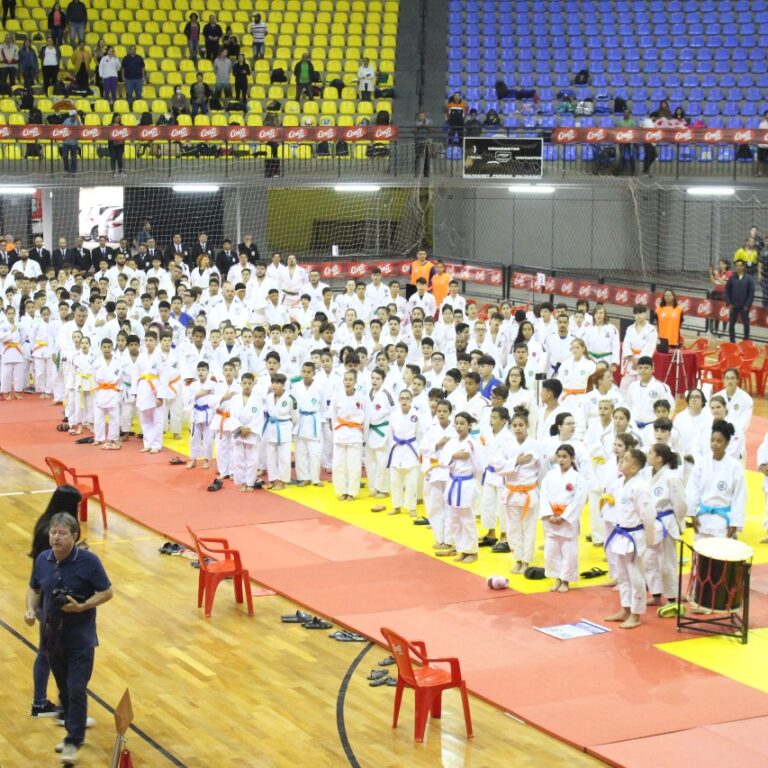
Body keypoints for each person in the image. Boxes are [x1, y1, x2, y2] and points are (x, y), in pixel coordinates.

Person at [26, 511, 113, 765]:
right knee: (64, 690)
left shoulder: (89, 562)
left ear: (74, 536)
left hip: (80, 640)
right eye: (53, 532)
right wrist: (30, 609)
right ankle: (72, 733)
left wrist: (83, 606)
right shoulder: (43, 559)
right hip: (52, 639)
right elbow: (33, 587)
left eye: (62, 533)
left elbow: (107, 592)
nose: (56, 537)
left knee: (76, 689)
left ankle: (73, 740)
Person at [28, 486, 83, 720]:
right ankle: (55, 704)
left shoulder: (46, 524)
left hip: (43, 598)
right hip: (50, 601)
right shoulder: (53, 533)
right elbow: (53, 568)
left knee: (47, 652)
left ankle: (44, 702)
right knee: (53, 654)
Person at [604, 447, 655, 629]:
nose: (621, 461)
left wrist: (648, 539)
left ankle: (636, 614)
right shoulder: (620, 483)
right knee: (622, 575)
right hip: (620, 534)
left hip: (634, 535)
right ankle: (625, 609)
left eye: (625, 459)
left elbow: (648, 516)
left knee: (635, 576)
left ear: (634, 468)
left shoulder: (641, 487)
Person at [539, 444, 587, 593]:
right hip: (551, 518)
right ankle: (557, 578)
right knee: (551, 552)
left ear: (572, 458)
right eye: (559, 456)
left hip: (567, 520)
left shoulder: (578, 478)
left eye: (565, 457)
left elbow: (579, 500)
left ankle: (566, 580)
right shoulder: (550, 475)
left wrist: (564, 517)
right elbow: (543, 495)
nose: (561, 460)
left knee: (569, 552)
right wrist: (549, 514)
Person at [686, 420, 746, 539]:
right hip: (702, 517)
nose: (715, 444)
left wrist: (735, 523)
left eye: (719, 441)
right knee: (700, 553)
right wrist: (692, 514)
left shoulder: (735, 466)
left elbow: (739, 496)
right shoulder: (702, 463)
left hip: (723, 520)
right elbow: (693, 489)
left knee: (719, 554)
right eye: (712, 440)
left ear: (727, 443)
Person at [439, 411, 485, 563]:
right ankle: (462, 549)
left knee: (467, 519)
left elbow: (480, 466)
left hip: (465, 483)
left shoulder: (472, 443)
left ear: (469, 425)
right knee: (454, 519)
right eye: (456, 423)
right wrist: (453, 456)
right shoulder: (452, 442)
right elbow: (442, 460)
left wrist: (470, 479)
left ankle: (472, 551)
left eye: (462, 423)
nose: (458, 426)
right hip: (452, 482)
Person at [644, 443, 686, 606]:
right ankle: (655, 594)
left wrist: (679, 522)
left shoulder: (671, 477)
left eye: (650, 453)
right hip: (651, 523)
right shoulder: (648, 474)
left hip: (666, 523)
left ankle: (671, 597)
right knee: (649, 560)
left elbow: (680, 504)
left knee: (667, 562)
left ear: (659, 458)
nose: (648, 456)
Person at [724, 259, 755, 342]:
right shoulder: (731, 278)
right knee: (731, 325)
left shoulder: (749, 279)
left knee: (746, 324)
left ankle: (745, 340)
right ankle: (732, 341)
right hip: (733, 306)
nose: (738, 267)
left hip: (744, 306)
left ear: (744, 267)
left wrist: (747, 305)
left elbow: (751, 293)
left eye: (740, 265)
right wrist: (729, 303)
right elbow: (727, 291)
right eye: (737, 265)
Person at [708, 258, 731, 335]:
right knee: (716, 313)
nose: (720, 265)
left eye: (721, 263)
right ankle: (716, 330)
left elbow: (725, 283)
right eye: (720, 263)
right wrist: (711, 273)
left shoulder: (729, 273)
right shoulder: (720, 273)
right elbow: (714, 282)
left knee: (724, 313)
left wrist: (717, 276)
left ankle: (724, 330)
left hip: (724, 295)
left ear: (726, 265)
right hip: (716, 294)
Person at [61, 109, 80, 175]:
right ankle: (67, 170)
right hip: (66, 142)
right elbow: (62, 129)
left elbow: (80, 128)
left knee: (74, 157)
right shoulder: (66, 121)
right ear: (70, 116)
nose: (73, 117)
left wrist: (78, 119)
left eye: (74, 116)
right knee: (65, 156)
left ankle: (73, 171)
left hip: (74, 143)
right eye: (72, 116)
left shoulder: (77, 121)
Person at [414, 111, 433, 177]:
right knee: (417, 157)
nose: (421, 117)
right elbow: (413, 131)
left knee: (427, 157)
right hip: (418, 141)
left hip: (426, 141)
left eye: (423, 116)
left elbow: (432, 130)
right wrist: (419, 127)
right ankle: (416, 173)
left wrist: (426, 126)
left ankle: (426, 173)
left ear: (425, 116)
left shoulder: (429, 121)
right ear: (419, 117)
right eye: (420, 116)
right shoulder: (416, 122)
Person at [107, 112, 125, 176]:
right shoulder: (110, 126)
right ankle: (113, 172)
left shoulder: (122, 126)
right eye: (117, 118)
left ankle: (120, 172)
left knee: (120, 158)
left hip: (120, 145)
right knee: (113, 158)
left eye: (119, 118)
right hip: (112, 145)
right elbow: (107, 134)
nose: (118, 119)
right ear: (114, 118)